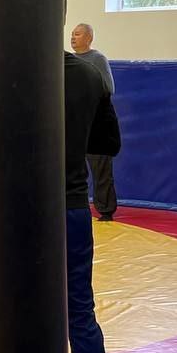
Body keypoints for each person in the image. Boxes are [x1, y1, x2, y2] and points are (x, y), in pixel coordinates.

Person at [65, 18, 123, 353]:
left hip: (11, 213)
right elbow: (108, 144)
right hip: (67, 205)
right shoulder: (87, 75)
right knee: (80, 313)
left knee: (3, 312)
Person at [71, 23, 118, 221]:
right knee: (74, 169)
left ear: (89, 38)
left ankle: (106, 209)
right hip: (76, 122)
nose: (72, 37)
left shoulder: (97, 59)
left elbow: (108, 88)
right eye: (72, 34)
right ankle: (76, 204)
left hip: (97, 124)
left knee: (100, 169)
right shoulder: (69, 60)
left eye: (77, 34)